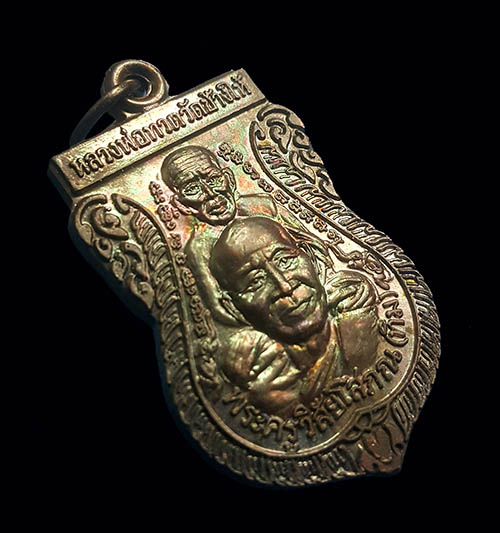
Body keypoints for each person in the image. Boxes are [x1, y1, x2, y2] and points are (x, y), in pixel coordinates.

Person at [209, 216, 380, 416]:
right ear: (233, 306)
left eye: (285, 261)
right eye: (256, 281)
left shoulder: (355, 306)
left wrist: (358, 338)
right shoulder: (261, 374)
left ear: (310, 257)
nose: (285, 287)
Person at [161, 145, 326, 325]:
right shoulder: (199, 248)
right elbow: (221, 310)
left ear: (229, 179)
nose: (210, 194)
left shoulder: (263, 206)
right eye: (193, 189)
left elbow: (313, 245)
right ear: (182, 204)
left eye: (214, 180)